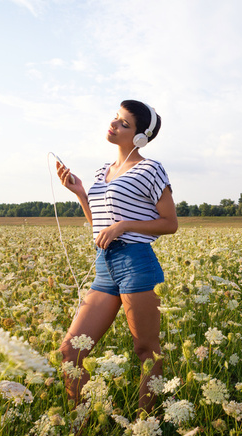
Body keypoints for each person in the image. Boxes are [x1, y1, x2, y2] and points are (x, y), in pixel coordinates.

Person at [56, 99, 177, 414]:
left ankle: (144, 427)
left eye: (124, 123)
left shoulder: (151, 169)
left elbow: (170, 223)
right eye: (116, 118)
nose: (114, 125)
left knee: (146, 350)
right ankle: (80, 430)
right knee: (70, 352)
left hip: (137, 263)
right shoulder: (101, 172)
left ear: (140, 136)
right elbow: (99, 226)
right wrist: (81, 193)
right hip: (105, 267)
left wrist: (125, 225)